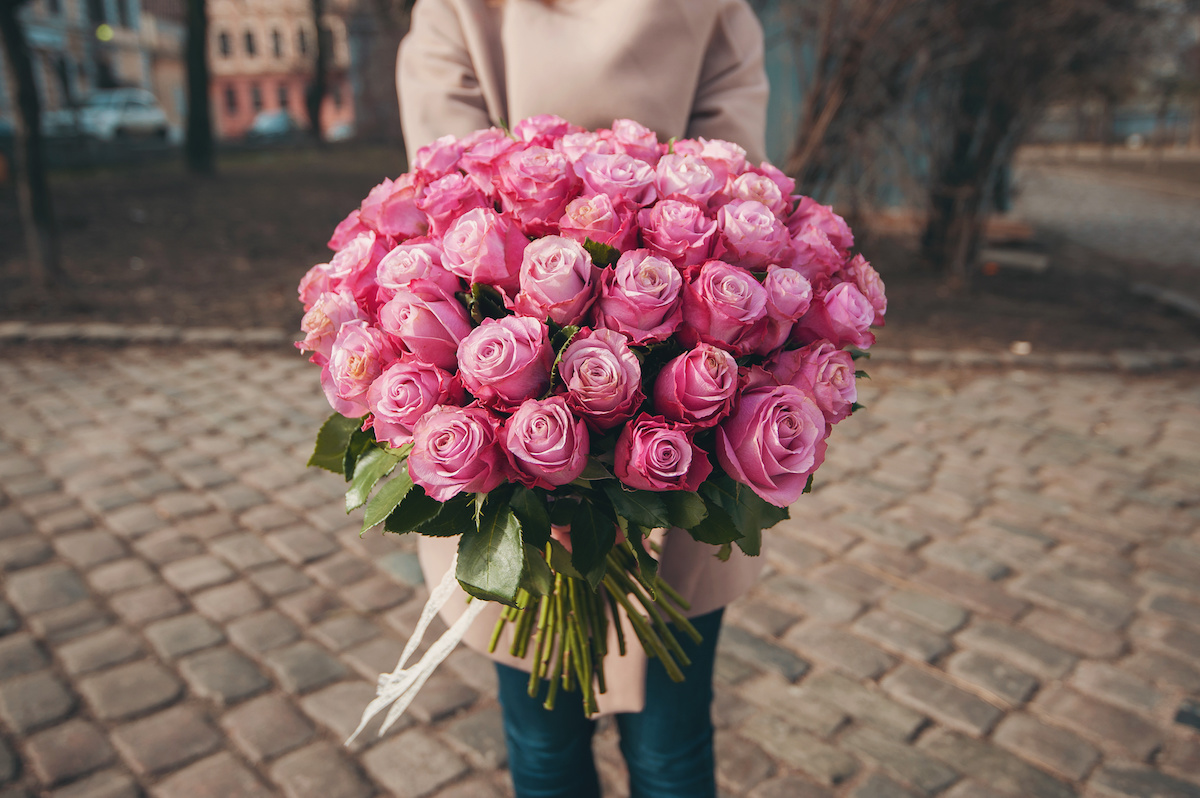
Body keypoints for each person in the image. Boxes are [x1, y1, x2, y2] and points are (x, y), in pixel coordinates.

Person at [396, 2, 772, 795]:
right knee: (567, 738)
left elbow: (739, 190)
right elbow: (443, 194)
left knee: (641, 744)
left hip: (676, 408)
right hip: (501, 409)